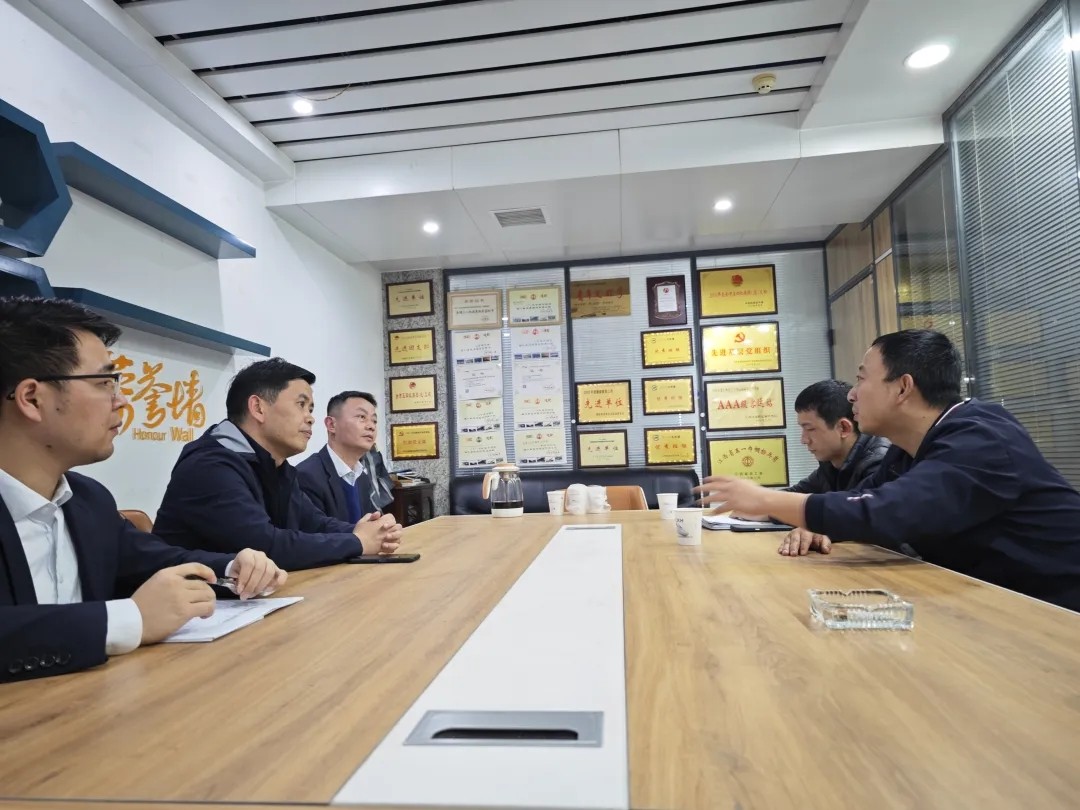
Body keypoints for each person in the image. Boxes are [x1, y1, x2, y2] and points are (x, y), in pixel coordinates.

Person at [0, 296, 287, 682]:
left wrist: (233, 569)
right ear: (32, 399)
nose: (122, 401)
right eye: (104, 383)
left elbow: (156, 561)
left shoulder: (88, 500)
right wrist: (127, 619)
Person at [696, 329, 1080, 612]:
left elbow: (885, 511)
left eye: (862, 378)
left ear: (902, 388)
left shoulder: (981, 437)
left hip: (1055, 611)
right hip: (989, 604)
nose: (852, 394)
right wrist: (804, 516)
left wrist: (765, 499)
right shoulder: (907, 448)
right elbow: (858, 499)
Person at [153, 359, 403, 570]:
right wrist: (358, 542)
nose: (310, 418)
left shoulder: (277, 468)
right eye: (301, 405)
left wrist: (364, 531)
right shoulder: (210, 465)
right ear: (258, 408)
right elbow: (265, 545)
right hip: (197, 606)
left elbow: (314, 523)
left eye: (311, 408)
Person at [296, 391, 395, 523]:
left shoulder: (362, 477)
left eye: (374, 420)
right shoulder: (307, 476)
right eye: (362, 417)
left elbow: (367, 526)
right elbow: (315, 533)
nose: (371, 426)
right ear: (331, 425)